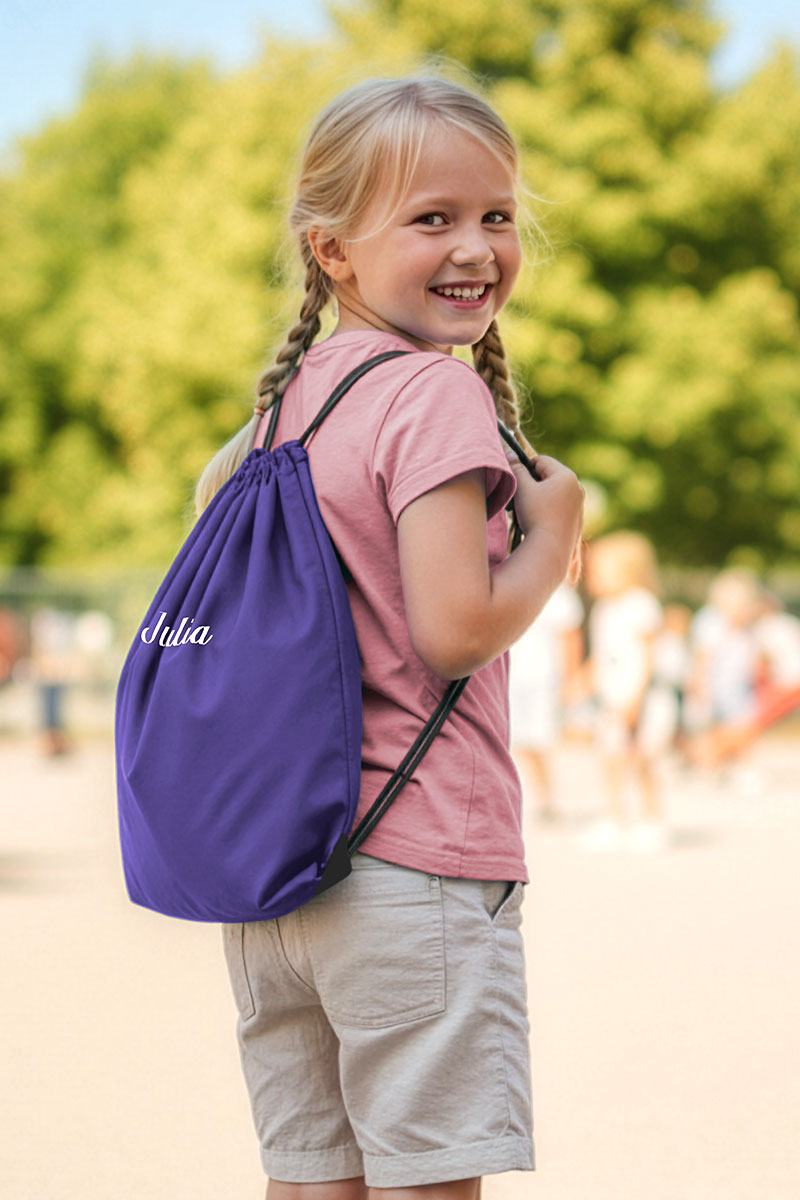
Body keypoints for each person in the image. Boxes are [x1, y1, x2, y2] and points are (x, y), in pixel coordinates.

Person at [194, 73, 583, 1200]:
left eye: (495, 215)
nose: (475, 247)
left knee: (311, 1182)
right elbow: (455, 629)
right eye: (431, 219)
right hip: (413, 868)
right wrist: (551, 539)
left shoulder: (281, 408)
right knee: (425, 1185)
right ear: (333, 251)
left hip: (281, 885)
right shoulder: (429, 395)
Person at [579, 531, 670, 853]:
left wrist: (637, 699)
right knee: (611, 759)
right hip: (611, 700)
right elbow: (603, 652)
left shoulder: (641, 605)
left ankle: (652, 820)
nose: (589, 576)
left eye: (598, 570)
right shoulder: (604, 608)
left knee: (643, 759)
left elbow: (648, 656)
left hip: (641, 700)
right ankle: (615, 818)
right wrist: (585, 677)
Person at [508, 583, 584, 822]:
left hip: (545, 678)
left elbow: (570, 639)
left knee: (541, 739)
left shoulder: (559, 593)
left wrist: (570, 679)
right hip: (514, 676)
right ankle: (532, 797)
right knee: (518, 739)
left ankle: (548, 797)